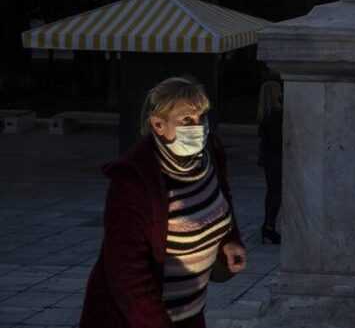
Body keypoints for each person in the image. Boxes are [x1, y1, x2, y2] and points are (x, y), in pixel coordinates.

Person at [80, 77, 246, 328]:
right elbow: (127, 272)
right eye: (186, 120)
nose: (199, 127)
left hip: (191, 314)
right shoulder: (134, 180)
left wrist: (230, 238)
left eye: (202, 117)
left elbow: (222, 196)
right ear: (158, 125)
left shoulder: (210, 153)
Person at [258, 81, 284, 244]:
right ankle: (269, 227)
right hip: (276, 158)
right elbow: (277, 140)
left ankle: (268, 227)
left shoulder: (265, 114)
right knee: (276, 193)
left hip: (269, 158)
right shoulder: (276, 114)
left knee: (272, 192)